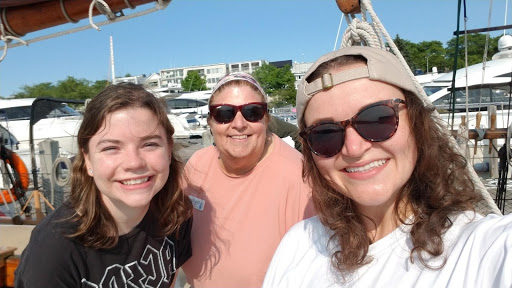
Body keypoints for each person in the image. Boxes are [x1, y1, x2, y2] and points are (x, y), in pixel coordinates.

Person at [263, 46, 512, 287]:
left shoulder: (483, 248)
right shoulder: (299, 244)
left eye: (377, 119)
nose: (354, 148)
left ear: (417, 123)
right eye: (325, 134)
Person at [15, 83, 193, 287]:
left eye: (150, 144)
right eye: (111, 148)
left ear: (168, 151)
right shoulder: (55, 250)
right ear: (88, 160)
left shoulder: (177, 217)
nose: (134, 162)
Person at [181, 72, 315, 287]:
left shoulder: (298, 178)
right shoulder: (197, 164)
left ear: (267, 119)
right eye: (225, 113)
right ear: (211, 122)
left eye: (252, 112)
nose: (239, 124)